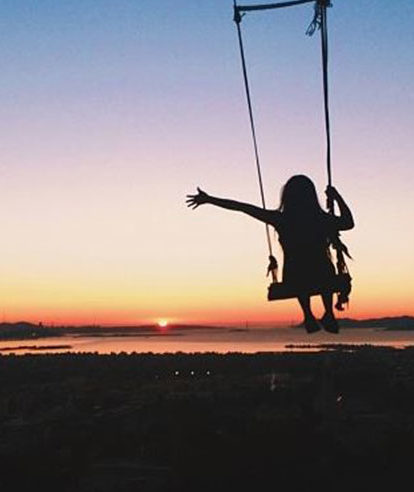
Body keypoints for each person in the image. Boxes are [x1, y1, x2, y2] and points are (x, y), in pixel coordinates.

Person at [186, 175, 354, 334]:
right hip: (322, 274)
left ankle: (308, 315)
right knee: (321, 267)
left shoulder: (281, 219)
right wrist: (336, 196)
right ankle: (328, 312)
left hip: (295, 277)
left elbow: (242, 207)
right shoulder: (322, 219)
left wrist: (210, 199)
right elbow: (348, 222)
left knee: (299, 268)